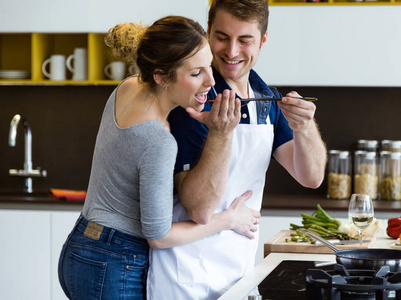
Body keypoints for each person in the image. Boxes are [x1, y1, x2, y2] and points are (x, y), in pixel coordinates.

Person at [57, 16, 261, 300]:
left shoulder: (127, 87)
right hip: (114, 262)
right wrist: (229, 219)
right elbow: (160, 236)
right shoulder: (159, 140)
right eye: (195, 74)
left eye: (208, 67)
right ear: (161, 76)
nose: (210, 81)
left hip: (79, 247)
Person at [147, 1, 328, 299]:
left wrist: (305, 127)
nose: (231, 52)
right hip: (184, 277)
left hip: (238, 274)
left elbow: (311, 177)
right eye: (221, 37)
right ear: (207, 33)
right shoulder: (194, 96)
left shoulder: (265, 96)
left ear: (263, 40)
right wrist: (220, 133)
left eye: (245, 40)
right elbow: (199, 208)